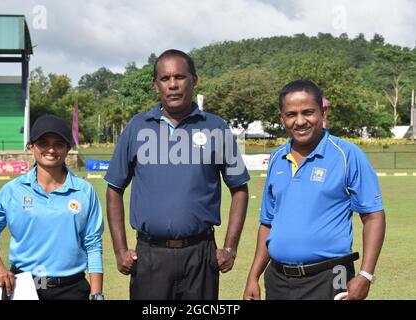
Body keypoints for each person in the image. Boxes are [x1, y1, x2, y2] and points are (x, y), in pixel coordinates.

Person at [105, 49, 250, 300]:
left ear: (194, 80)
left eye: (180, 77)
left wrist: (230, 248)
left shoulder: (215, 127)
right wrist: (120, 250)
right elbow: (114, 189)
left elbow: (239, 188)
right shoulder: (137, 127)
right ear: (156, 84)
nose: (173, 84)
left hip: (200, 255)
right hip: (150, 256)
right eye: (165, 78)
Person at [243, 80, 386, 300]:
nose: (300, 121)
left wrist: (365, 276)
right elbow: (267, 223)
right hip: (278, 279)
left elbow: (373, 216)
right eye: (291, 114)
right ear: (282, 118)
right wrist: (253, 277)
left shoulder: (347, 155)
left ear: (323, 112)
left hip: (330, 277)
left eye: (308, 112)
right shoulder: (276, 158)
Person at [0, 114, 104, 300]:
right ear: (31, 146)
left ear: (68, 148)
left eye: (59, 144)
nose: (51, 149)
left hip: (72, 289)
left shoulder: (84, 191)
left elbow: (93, 244)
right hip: (22, 287)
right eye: (43, 143)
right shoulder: (12, 190)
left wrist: (97, 294)